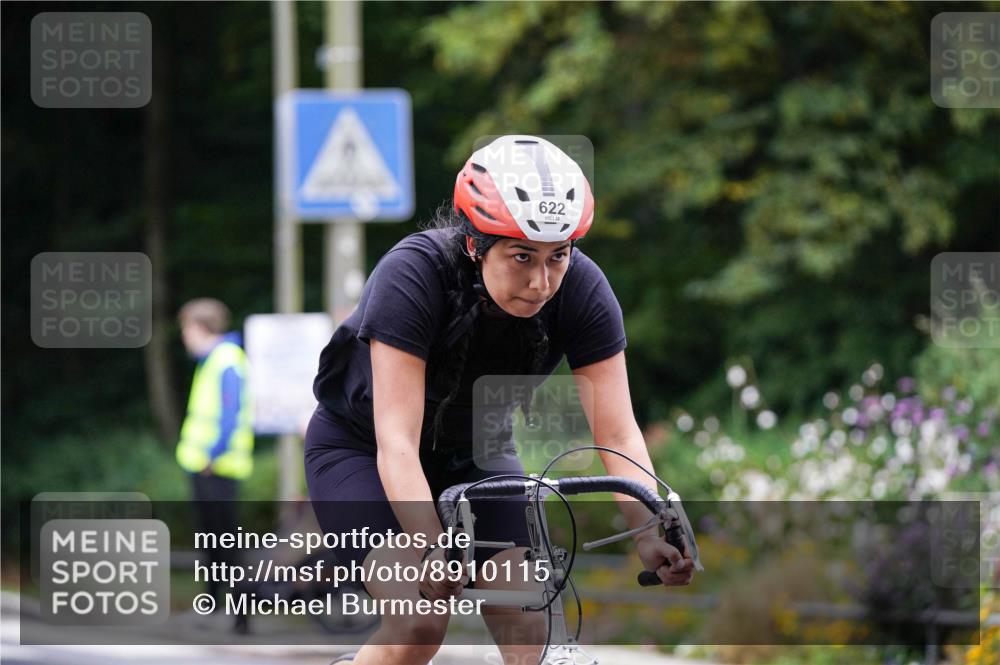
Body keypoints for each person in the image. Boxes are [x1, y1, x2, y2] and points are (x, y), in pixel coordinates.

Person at [305, 135, 695, 665]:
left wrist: (648, 528)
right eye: (521, 256)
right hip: (362, 451)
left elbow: (618, 432)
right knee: (419, 622)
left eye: (558, 256)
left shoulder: (582, 289)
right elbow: (395, 440)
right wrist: (430, 546)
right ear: (475, 244)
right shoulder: (414, 274)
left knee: (528, 622)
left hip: (479, 455)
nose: (541, 282)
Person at [175, 298, 254, 619]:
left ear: (199, 328)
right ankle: (216, 604)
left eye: (186, 329)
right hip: (207, 466)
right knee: (214, 541)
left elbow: (230, 415)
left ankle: (238, 612)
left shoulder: (225, 360)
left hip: (217, 468)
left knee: (224, 542)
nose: (185, 337)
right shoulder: (214, 360)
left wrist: (212, 456)